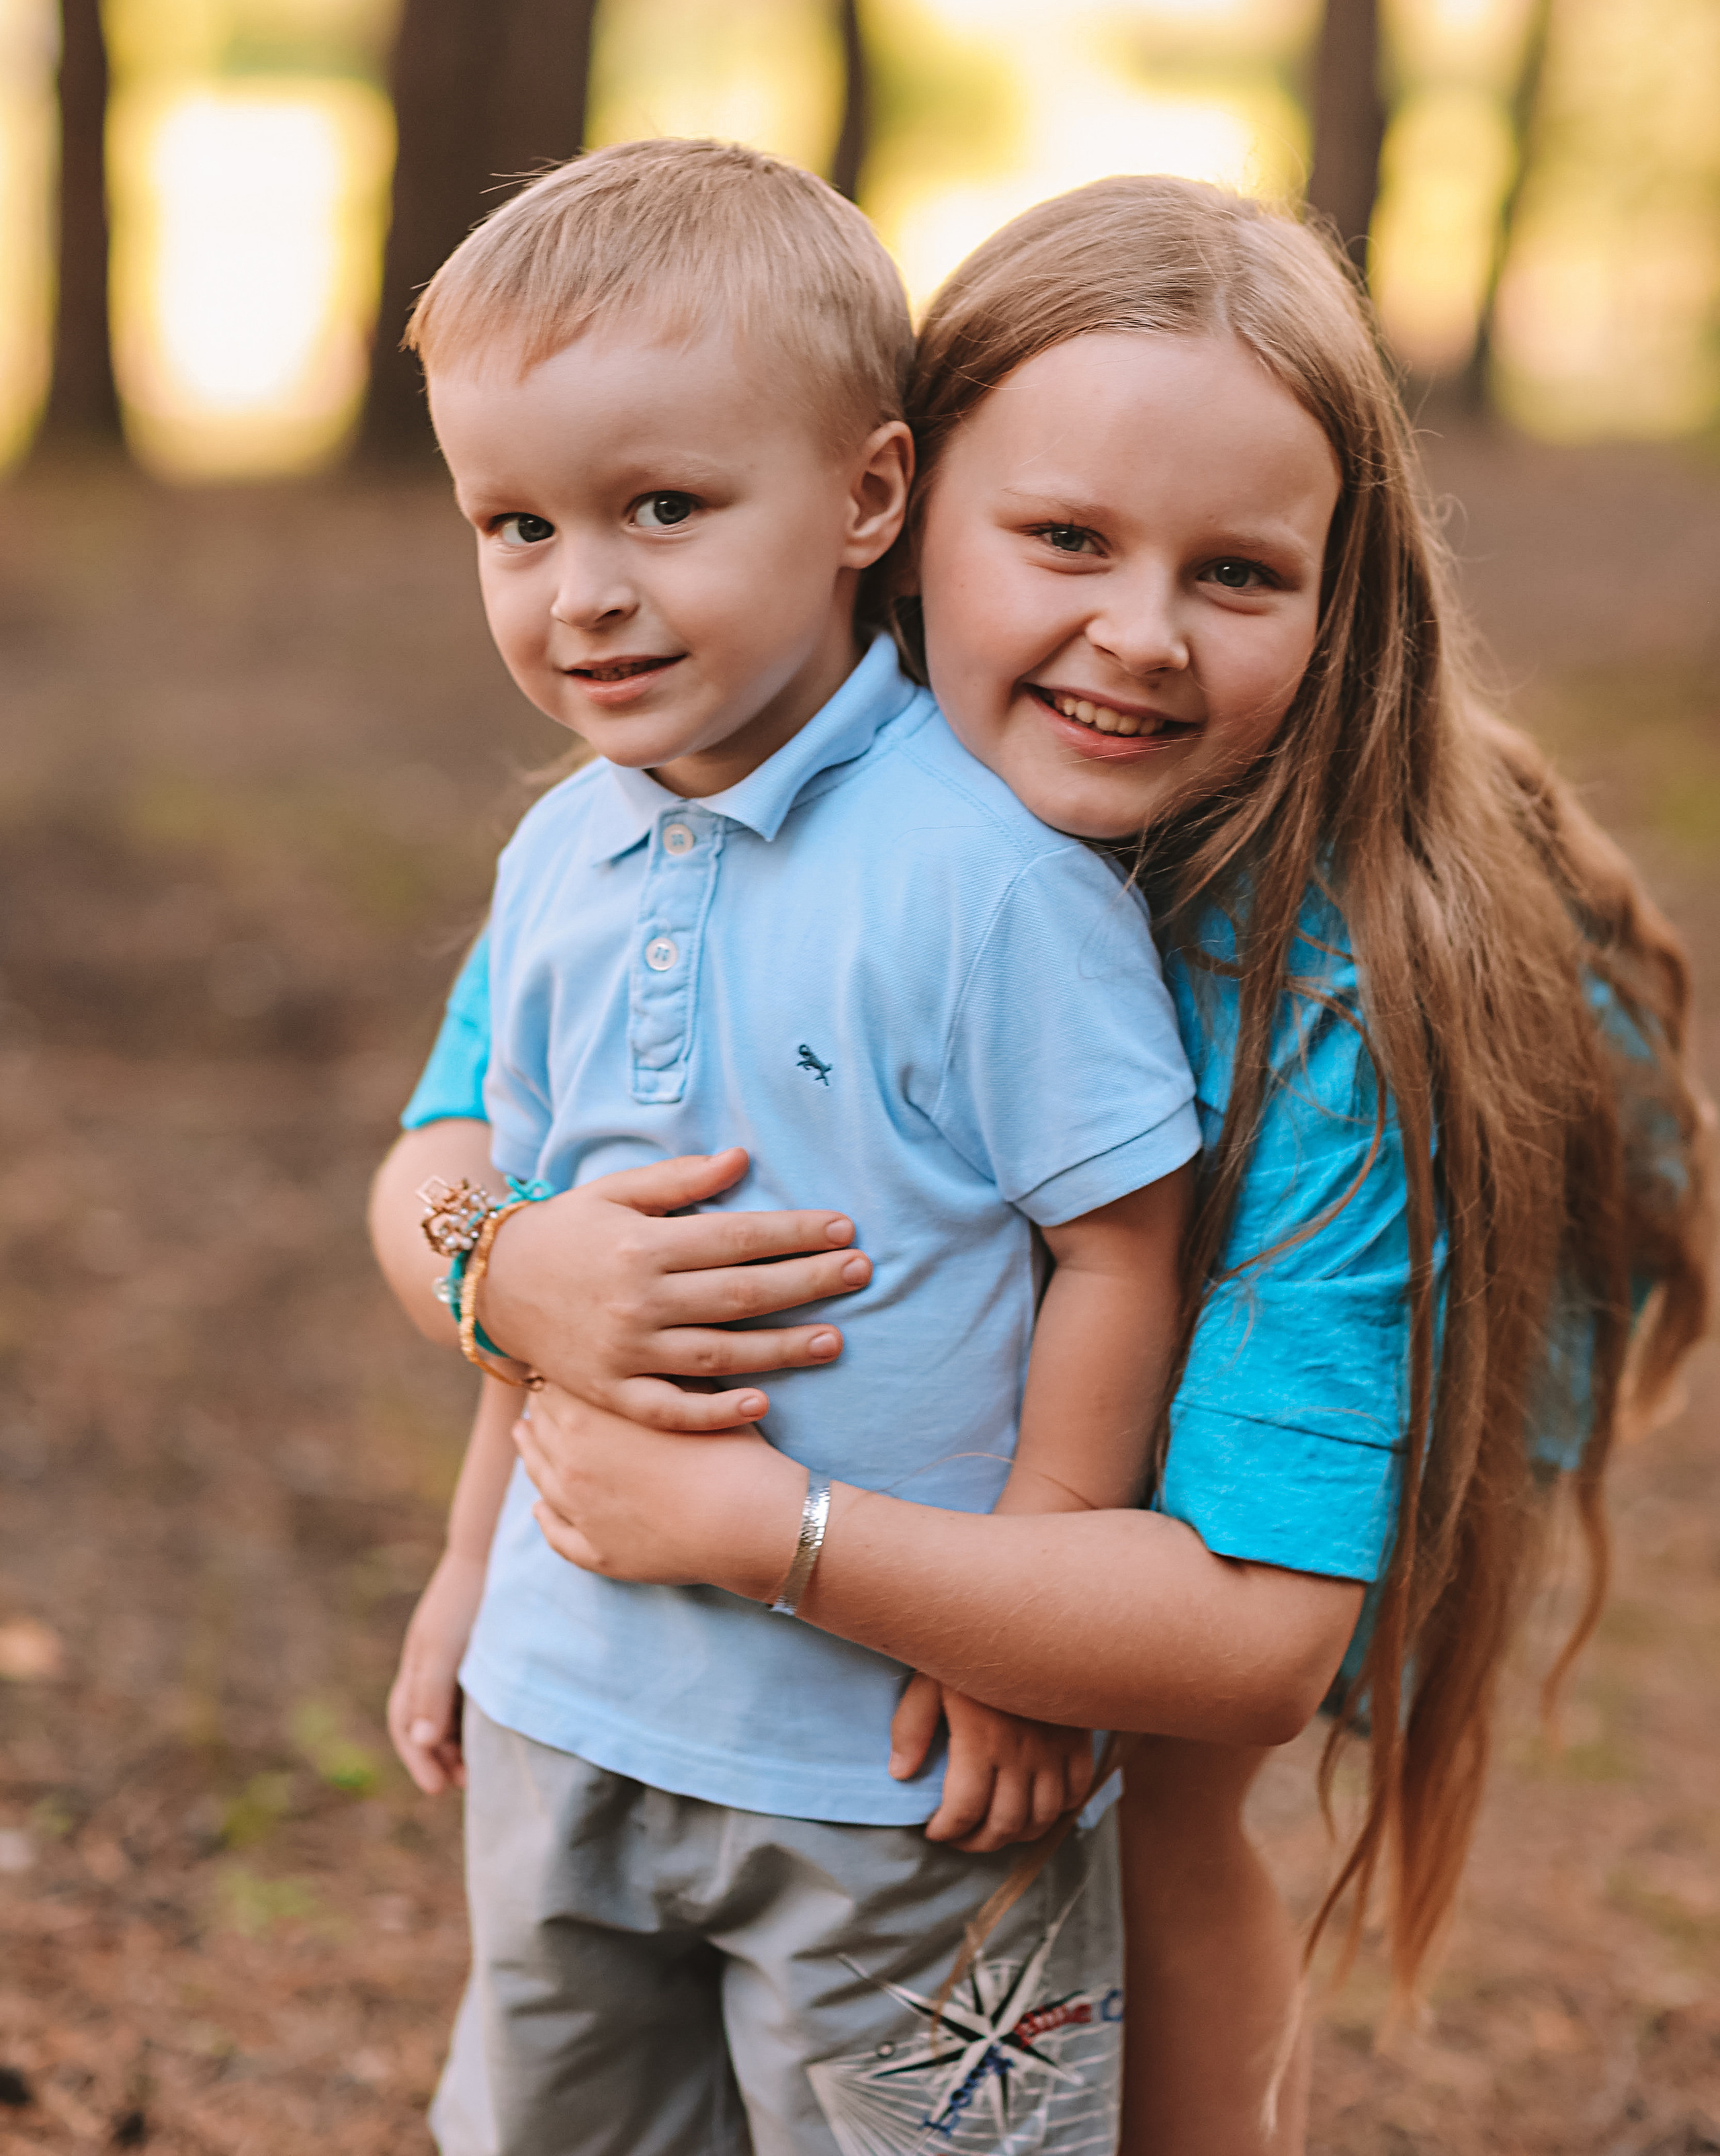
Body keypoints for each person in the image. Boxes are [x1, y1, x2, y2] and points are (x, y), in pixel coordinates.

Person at [373, 173, 1711, 2155]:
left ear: (1340, 600)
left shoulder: (1337, 1020)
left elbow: (1253, 1641)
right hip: (896, 1456)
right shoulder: (702, 793)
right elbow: (456, 1151)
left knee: (1139, 1775)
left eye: (1240, 577)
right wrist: (510, 1270)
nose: (1139, 638)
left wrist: (901, 1584)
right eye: (1065, 538)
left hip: (1366, 1248)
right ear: (894, 516)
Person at [386, 138, 1209, 2156]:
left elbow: (1123, 1244)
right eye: (514, 522)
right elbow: (558, 1281)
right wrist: (469, 1572)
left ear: (868, 495)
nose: (583, 590)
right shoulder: (561, 848)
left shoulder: (986, 880)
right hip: (572, 1715)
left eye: (662, 509)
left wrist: (1020, 1627)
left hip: (893, 1768)